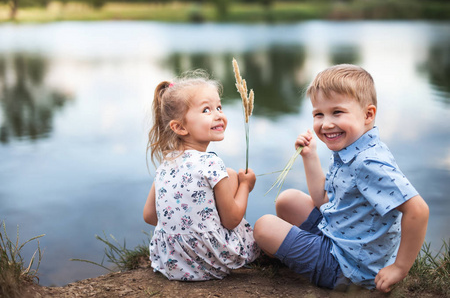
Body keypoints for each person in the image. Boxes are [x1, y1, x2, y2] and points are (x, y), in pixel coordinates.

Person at [253, 64, 429, 292]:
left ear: (368, 115)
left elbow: (418, 210)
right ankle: (299, 252)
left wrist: (400, 267)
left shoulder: (369, 162)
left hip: (348, 269)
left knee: (263, 227)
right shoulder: (352, 149)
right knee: (287, 200)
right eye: (319, 114)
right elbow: (324, 200)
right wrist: (310, 156)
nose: (326, 124)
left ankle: (303, 259)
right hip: (338, 237)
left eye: (337, 112)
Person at [143, 70, 260, 281]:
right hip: (209, 262)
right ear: (179, 127)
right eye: (206, 110)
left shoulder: (166, 163)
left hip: (170, 263)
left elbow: (149, 216)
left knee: (229, 175)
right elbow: (233, 220)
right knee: (236, 181)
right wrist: (245, 186)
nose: (218, 115)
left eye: (219, 107)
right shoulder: (211, 163)